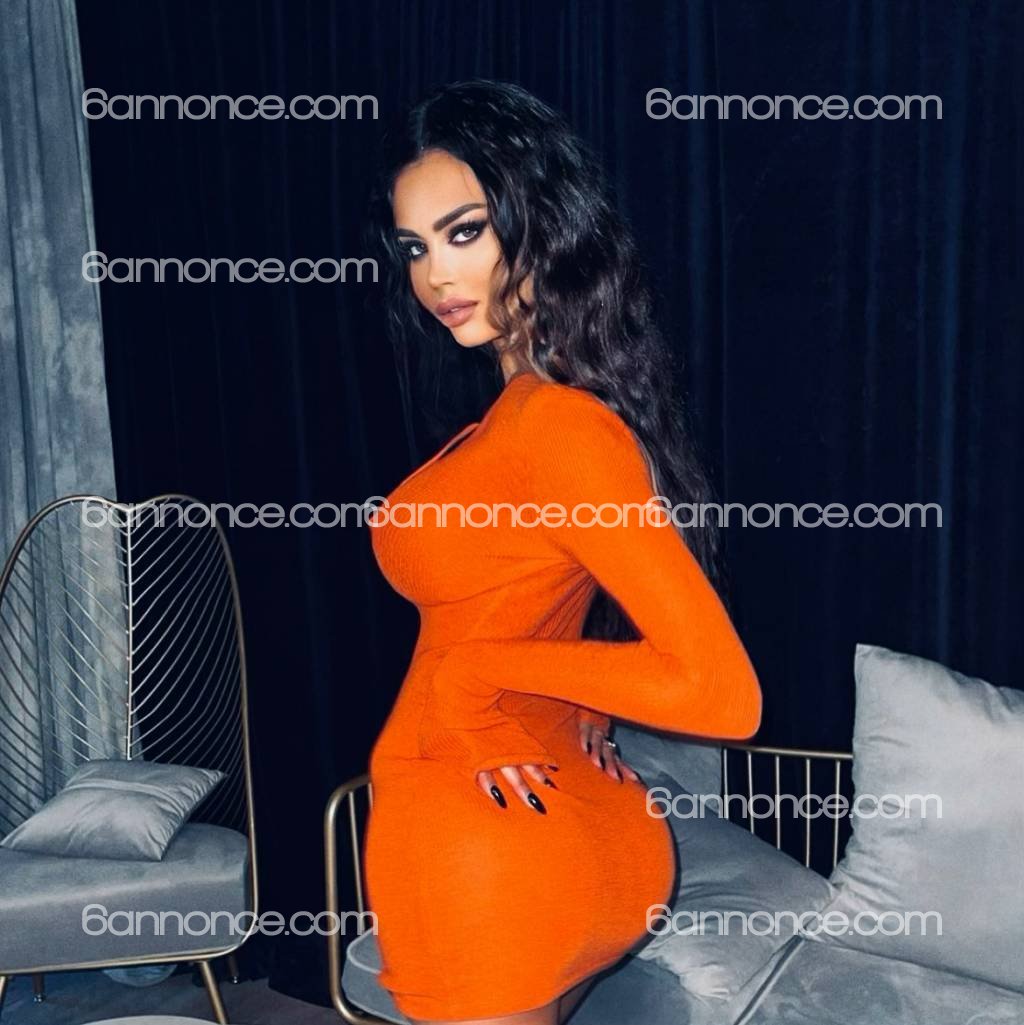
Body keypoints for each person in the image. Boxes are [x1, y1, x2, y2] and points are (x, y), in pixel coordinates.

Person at [362, 79, 762, 1025]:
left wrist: (478, 674)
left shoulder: (555, 426)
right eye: (415, 248)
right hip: (567, 823)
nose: (434, 275)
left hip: (483, 851)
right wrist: (579, 688)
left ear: (542, 224)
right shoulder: (542, 413)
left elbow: (721, 692)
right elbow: (549, 584)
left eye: (464, 232)